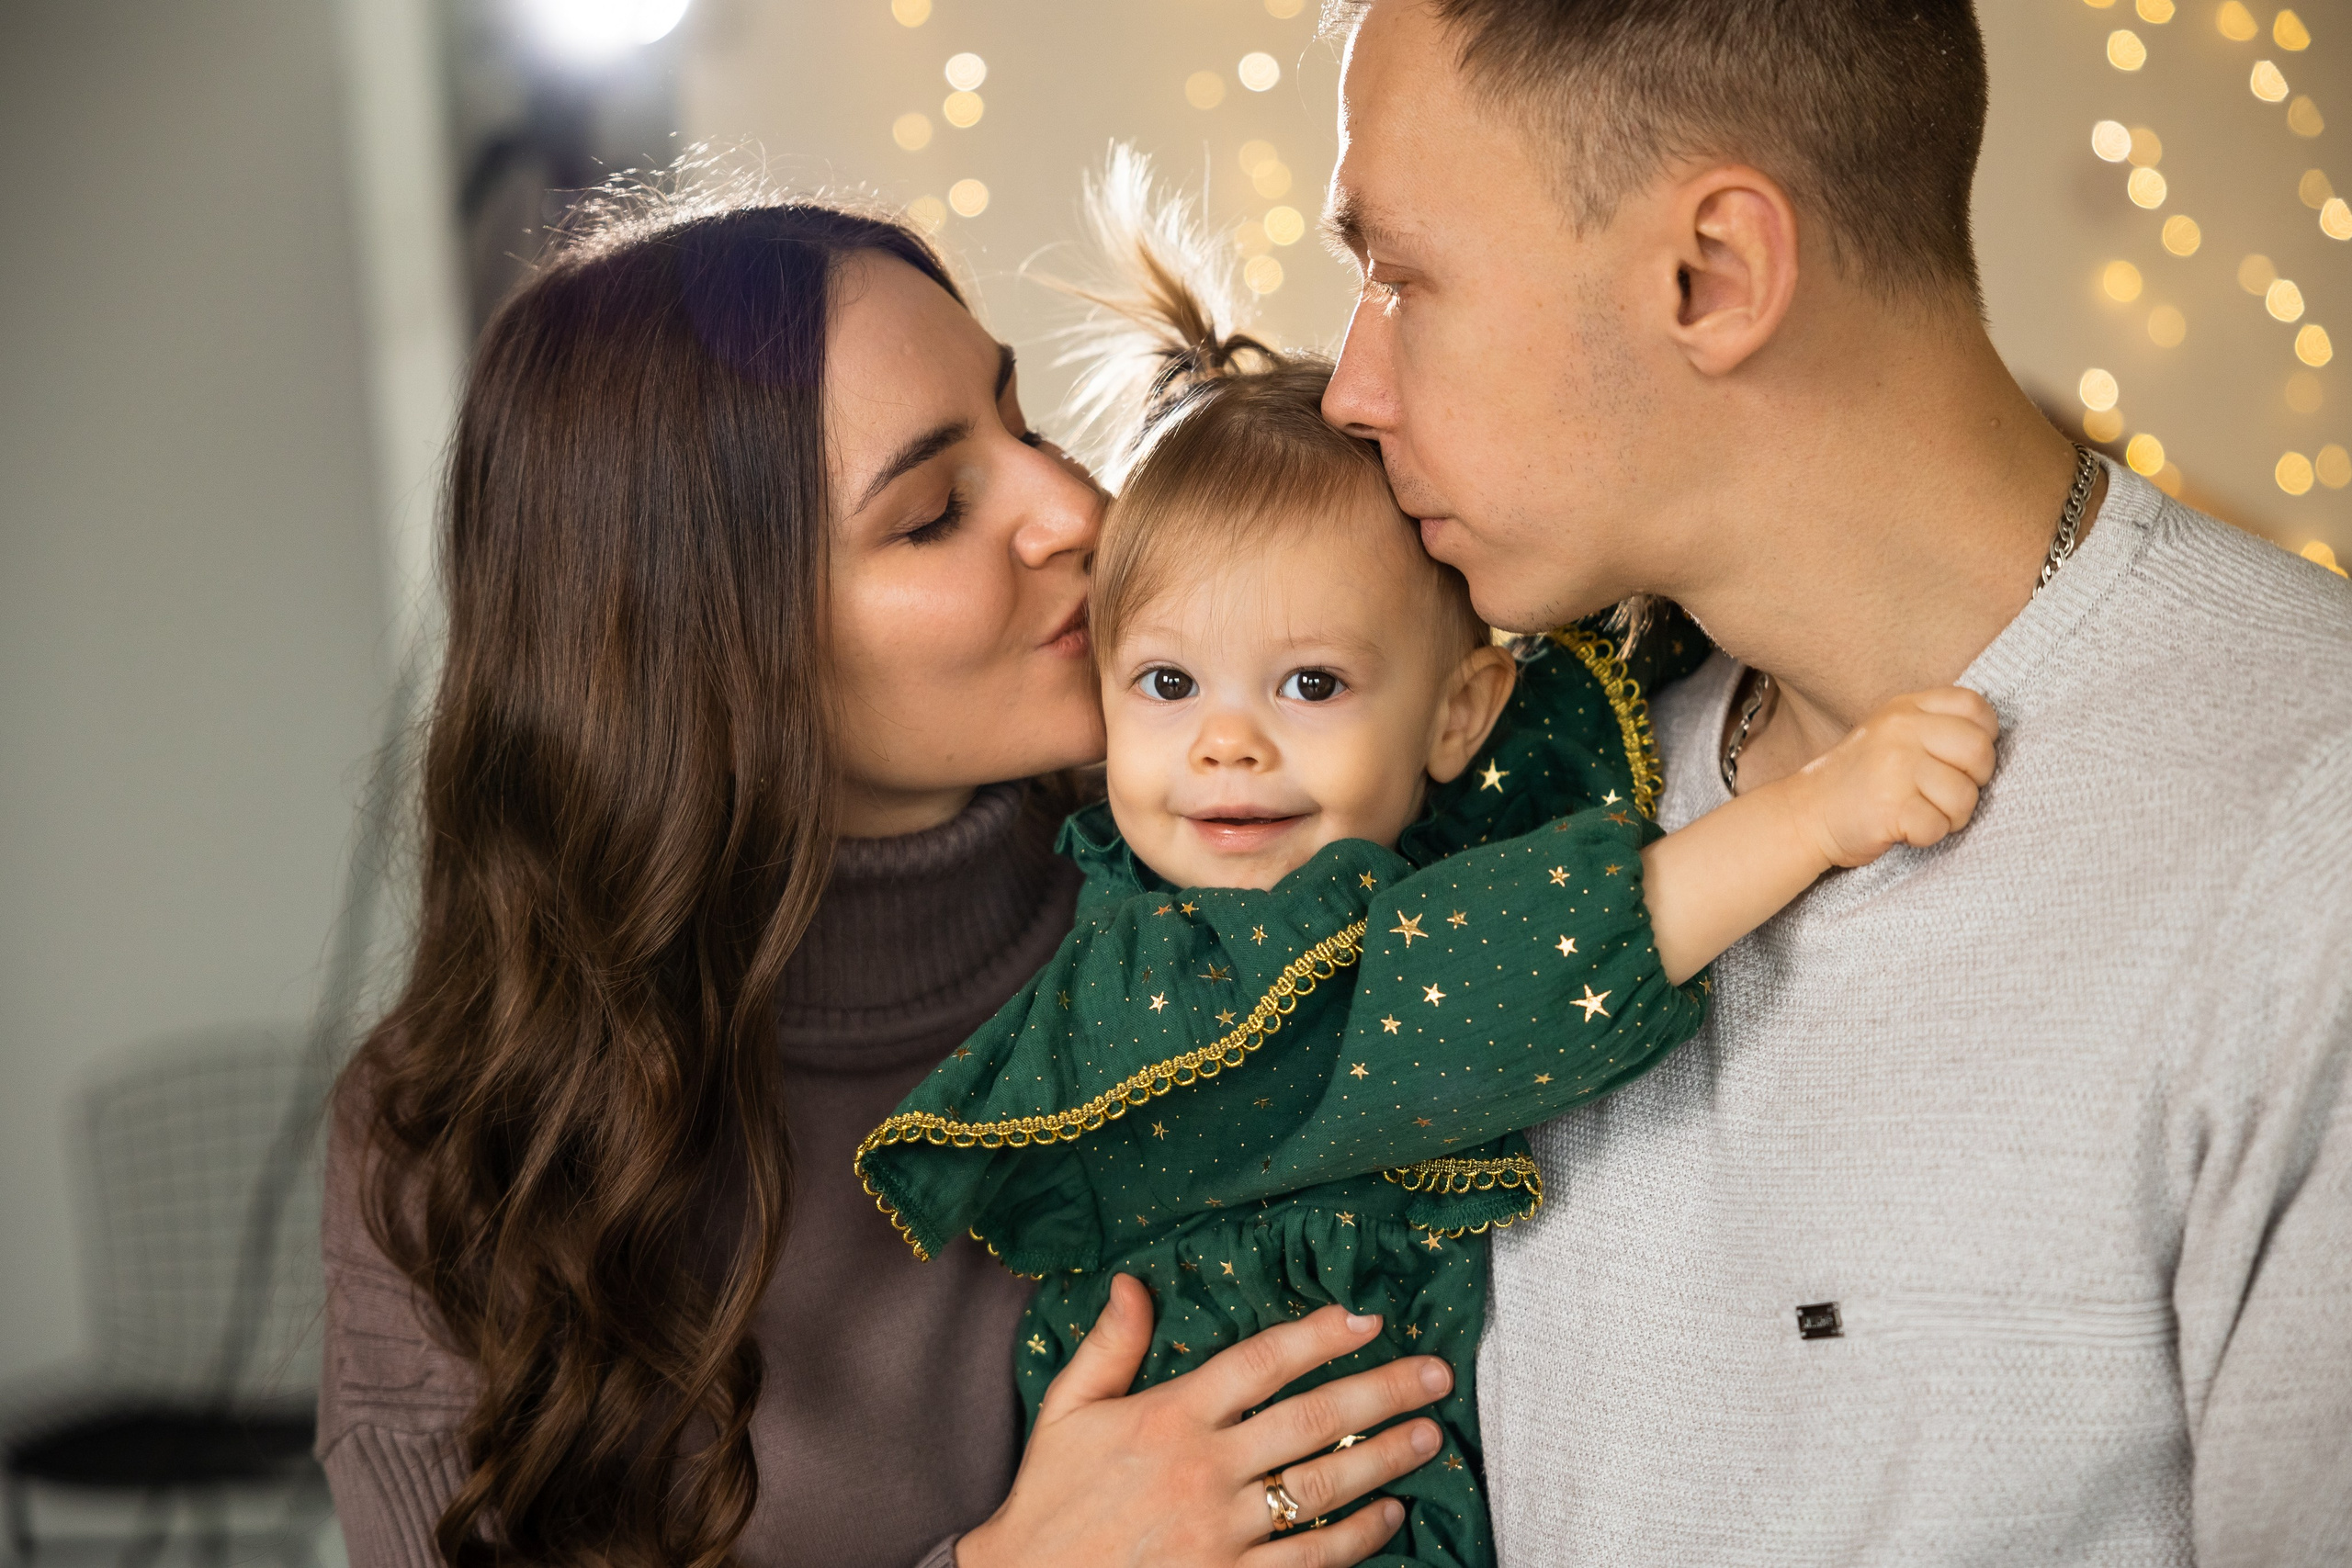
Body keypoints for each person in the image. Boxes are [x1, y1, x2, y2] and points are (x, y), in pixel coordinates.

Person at [1316, 2, 2352, 1563]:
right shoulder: (1491, 777)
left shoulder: (2306, 814)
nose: (1350, 387)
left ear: (1710, 276)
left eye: (1402, 278)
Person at [858, 157, 2000, 1568]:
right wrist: (1814, 816)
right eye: (1165, 688)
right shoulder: (1173, 975)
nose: (1225, 748)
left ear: (1460, 712)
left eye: (1312, 686)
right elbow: (1445, 995)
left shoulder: (1400, 845)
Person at [318, 191, 1464, 1568]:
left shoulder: (1279, 863)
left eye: (1024, 422)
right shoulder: (454, 1143)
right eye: (932, 514)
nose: (1073, 508)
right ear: (713, 649)